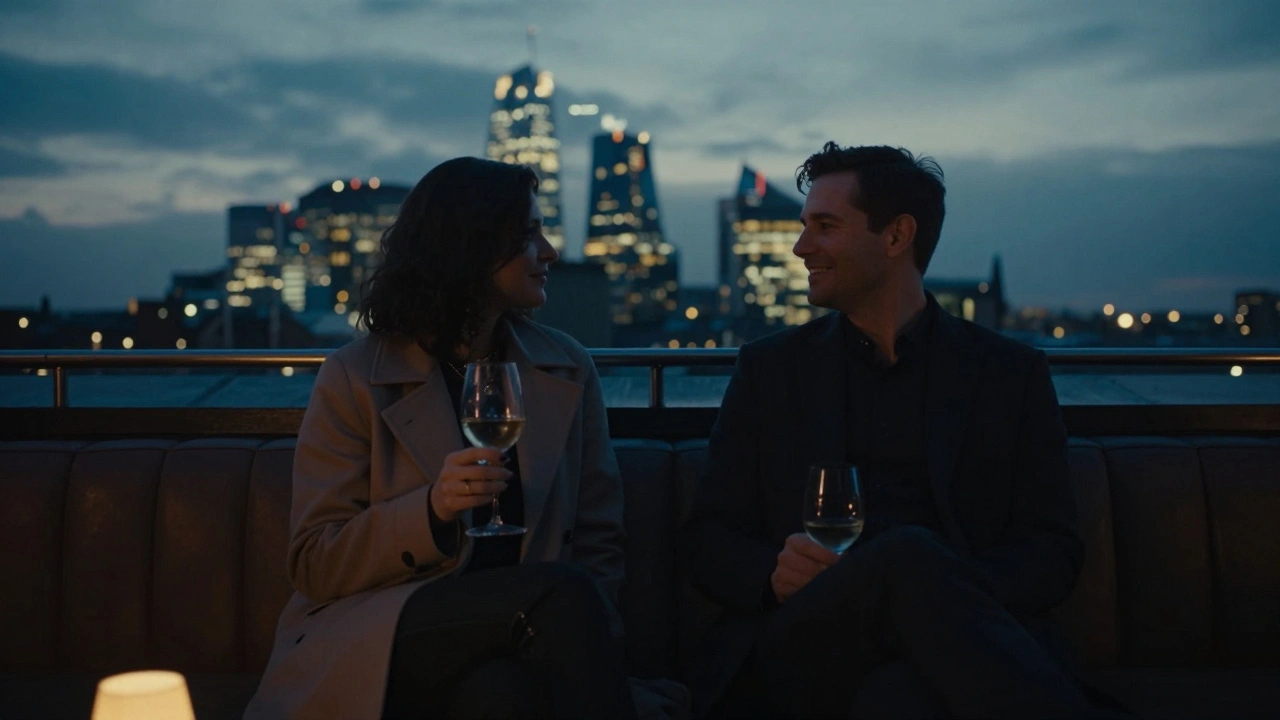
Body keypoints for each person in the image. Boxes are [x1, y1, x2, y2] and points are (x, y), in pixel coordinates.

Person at [682, 143, 1113, 719]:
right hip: (803, 635)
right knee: (907, 554)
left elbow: (1052, 552)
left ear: (895, 236)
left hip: (946, 651)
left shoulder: (1008, 373)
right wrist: (772, 575)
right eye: (804, 227)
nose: (801, 247)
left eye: (825, 226)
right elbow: (708, 539)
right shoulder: (771, 370)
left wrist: (937, 596)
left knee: (899, 692)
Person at [246, 157, 636, 720]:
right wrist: (430, 512)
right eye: (529, 235)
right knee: (559, 591)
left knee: (500, 695)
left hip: (523, 643)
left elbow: (600, 536)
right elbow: (314, 563)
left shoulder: (566, 368)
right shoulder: (354, 378)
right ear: (470, 248)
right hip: (386, 639)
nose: (549, 251)